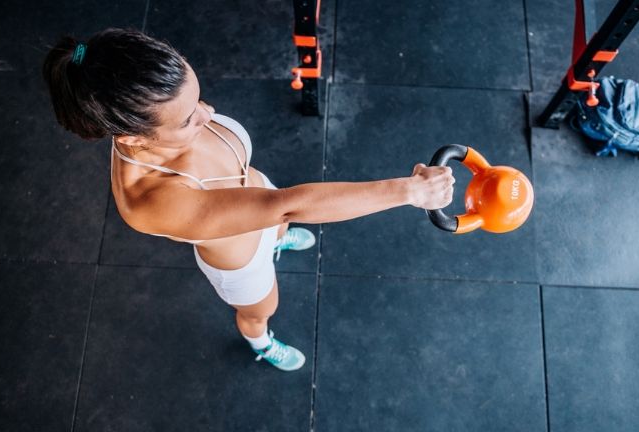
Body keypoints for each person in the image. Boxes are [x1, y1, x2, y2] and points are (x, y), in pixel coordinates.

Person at [42, 28, 454, 372]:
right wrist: (409, 190)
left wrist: (275, 219)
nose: (208, 112)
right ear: (132, 137)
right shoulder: (150, 200)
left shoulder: (158, 109)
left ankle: (278, 240)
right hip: (241, 258)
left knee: (279, 223)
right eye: (189, 120)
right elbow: (288, 204)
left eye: (198, 97)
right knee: (261, 308)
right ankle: (261, 343)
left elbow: (277, 205)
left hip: (263, 197)